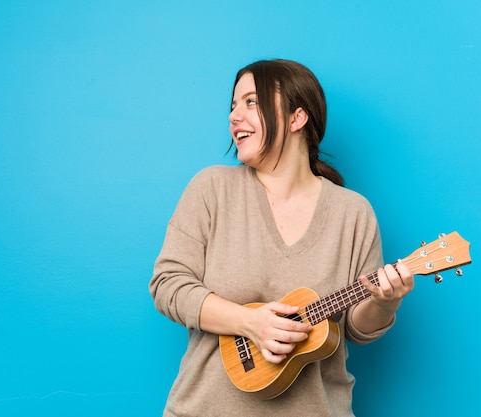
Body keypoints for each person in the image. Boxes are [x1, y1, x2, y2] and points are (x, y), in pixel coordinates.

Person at [149, 59, 414, 416]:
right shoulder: (212, 189)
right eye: (232, 106)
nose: (233, 117)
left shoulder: (352, 212)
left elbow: (355, 328)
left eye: (250, 102)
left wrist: (386, 302)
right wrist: (248, 323)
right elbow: (168, 285)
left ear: (296, 118)